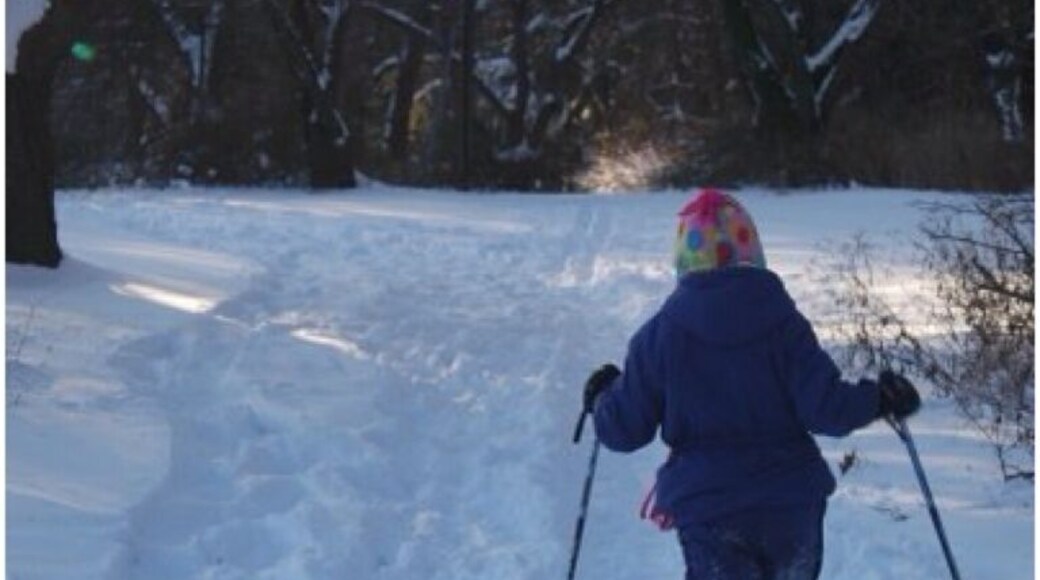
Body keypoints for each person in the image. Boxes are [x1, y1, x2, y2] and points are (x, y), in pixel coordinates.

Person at [582, 188, 921, 580]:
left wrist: (604, 399)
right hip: (791, 504)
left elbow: (624, 430)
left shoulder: (660, 337)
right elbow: (827, 409)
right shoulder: (785, 326)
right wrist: (879, 399)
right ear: (753, 252)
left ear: (683, 260)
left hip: (710, 509)